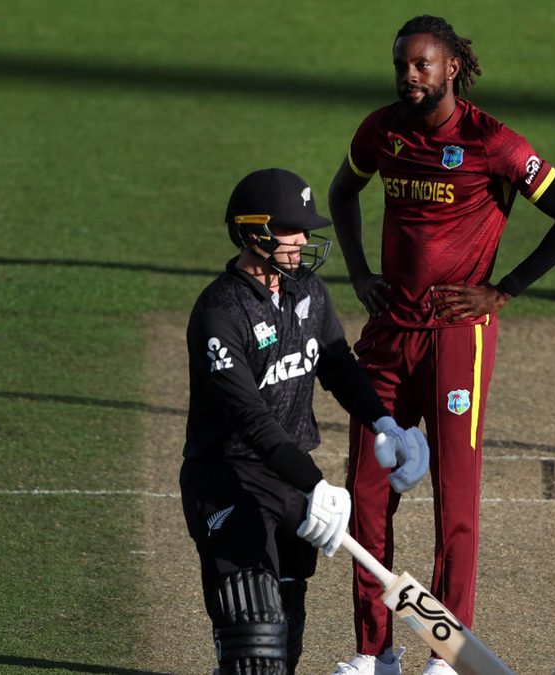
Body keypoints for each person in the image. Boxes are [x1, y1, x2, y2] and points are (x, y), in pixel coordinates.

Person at [327, 15, 555, 675]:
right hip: (388, 336)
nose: (409, 78)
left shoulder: (491, 141)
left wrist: (500, 291)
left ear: (452, 68)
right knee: (365, 490)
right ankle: (372, 653)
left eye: (422, 65)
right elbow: (342, 190)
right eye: (402, 66)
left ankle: (447, 656)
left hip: (457, 341)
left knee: (456, 500)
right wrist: (361, 274)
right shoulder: (381, 129)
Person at [179, 168, 430, 675]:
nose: (303, 241)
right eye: (291, 231)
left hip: (290, 476)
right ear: (253, 233)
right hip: (227, 480)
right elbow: (249, 418)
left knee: (286, 631)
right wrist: (316, 484)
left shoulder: (307, 291)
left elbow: (337, 364)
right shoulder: (219, 313)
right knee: (257, 644)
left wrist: (386, 424)